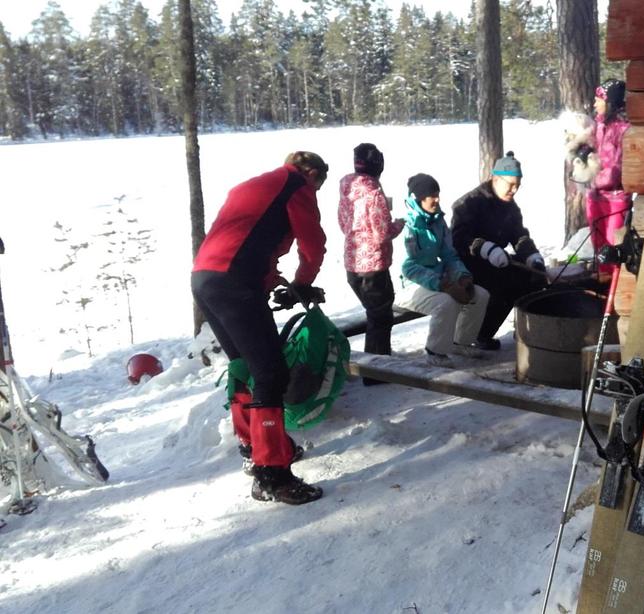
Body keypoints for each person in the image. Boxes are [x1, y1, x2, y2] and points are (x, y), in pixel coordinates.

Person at [192, 151, 328, 506]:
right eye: (319, 183)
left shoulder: (254, 186)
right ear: (311, 173)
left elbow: (246, 239)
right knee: (271, 374)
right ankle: (273, 474)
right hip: (235, 282)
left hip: (205, 278)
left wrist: (271, 281)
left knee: (244, 364)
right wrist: (303, 281)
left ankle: (255, 445)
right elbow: (313, 245)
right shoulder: (296, 185)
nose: (317, 191)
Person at [450, 152, 546, 351]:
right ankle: (478, 333)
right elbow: (459, 239)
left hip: (495, 261)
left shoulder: (510, 207)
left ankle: (525, 331)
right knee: (502, 285)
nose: (514, 190)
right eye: (510, 184)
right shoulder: (470, 203)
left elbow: (519, 235)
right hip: (466, 264)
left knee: (533, 278)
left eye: (518, 185)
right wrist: (484, 248)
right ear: (495, 178)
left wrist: (531, 256)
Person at [397, 173, 490, 368]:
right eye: (432, 196)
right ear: (418, 198)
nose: (437, 200)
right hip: (410, 286)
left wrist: (462, 277)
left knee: (480, 295)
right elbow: (408, 267)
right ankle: (435, 352)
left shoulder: (438, 221)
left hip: (437, 279)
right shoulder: (407, 226)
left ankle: (460, 342)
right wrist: (443, 284)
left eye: (438, 194)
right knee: (446, 303)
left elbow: (449, 255)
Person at [337, 143, 404, 385]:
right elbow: (381, 233)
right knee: (380, 315)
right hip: (373, 264)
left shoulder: (348, 187)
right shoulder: (373, 193)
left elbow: (344, 224)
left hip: (352, 261)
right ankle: (377, 371)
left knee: (376, 313)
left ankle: (376, 365)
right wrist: (398, 224)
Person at [587, 78, 632, 269]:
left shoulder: (624, 129)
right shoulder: (597, 125)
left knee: (613, 246)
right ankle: (601, 278)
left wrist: (590, 178)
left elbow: (618, 170)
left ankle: (612, 287)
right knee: (598, 244)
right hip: (594, 195)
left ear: (610, 102)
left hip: (616, 198)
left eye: (599, 99)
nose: (595, 103)